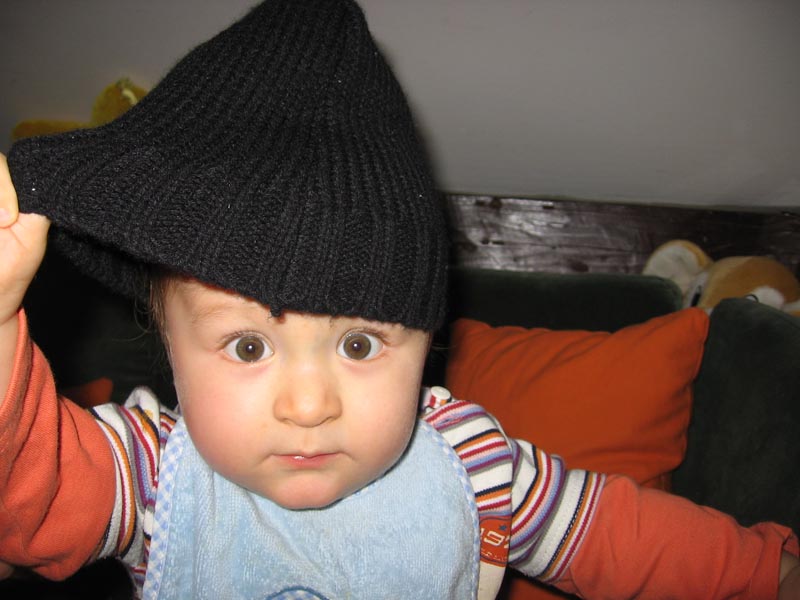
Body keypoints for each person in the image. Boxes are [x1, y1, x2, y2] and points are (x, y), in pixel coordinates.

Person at [1, 0, 798, 598]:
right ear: (168, 344)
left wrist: (772, 574)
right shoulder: (149, 476)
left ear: (426, 346)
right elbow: (29, 485)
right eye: (248, 346)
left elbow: (629, 540)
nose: (309, 405)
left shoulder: (477, 471)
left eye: (358, 345)